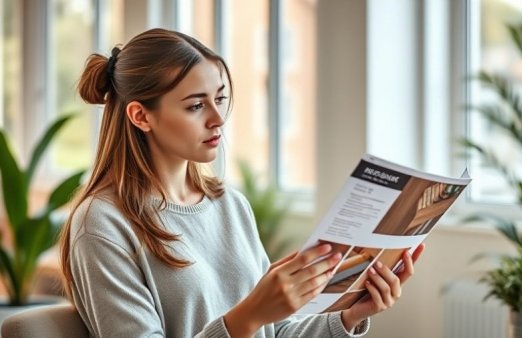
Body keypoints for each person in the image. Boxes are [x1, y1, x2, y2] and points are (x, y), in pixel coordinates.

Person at [58, 28, 425, 338]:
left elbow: (271, 331)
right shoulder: (102, 224)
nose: (218, 118)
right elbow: (249, 323)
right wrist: (246, 316)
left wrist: (349, 316)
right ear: (141, 116)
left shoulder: (229, 205)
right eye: (195, 106)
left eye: (219, 99)